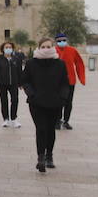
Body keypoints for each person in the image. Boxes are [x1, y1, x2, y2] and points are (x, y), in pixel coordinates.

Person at [21, 38, 70, 172]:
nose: (46, 49)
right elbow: (25, 81)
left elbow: (65, 83)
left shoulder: (60, 64)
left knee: (50, 130)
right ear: (39, 47)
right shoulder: (31, 63)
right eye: (43, 46)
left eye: (48, 46)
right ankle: (40, 157)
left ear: (53, 47)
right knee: (41, 129)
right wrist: (31, 94)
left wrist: (62, 97)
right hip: (37, 103)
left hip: (55, 103)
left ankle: (49, 155)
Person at [54, 32, 86, 129]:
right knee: (58, 101)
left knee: (68, 102)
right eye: (59, 41)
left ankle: (66, 121)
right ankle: (57, 120)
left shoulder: (72, 50)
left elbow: (79, 64)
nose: (62, 42)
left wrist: (81, 78)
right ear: (56, 42)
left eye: (64, 40)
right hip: (56, 81)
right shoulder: (53, 51)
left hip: (70, 81)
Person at [0, 41, 23, 128]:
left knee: (15, 100)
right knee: (4, 101)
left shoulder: (16, 59)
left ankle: (14, 119)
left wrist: (21, 83)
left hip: (14, 83)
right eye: (6, 47)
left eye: (10, 47)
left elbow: (19, 72)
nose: (8, 49)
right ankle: (6, 119)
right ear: (3, 49)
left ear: (12, 48)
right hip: (2, 84)